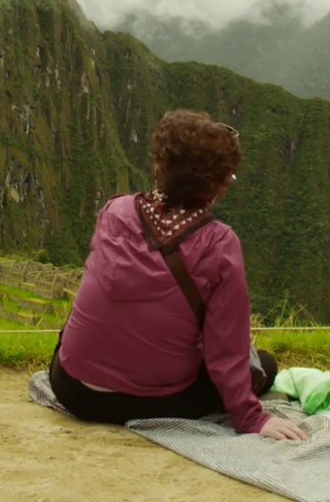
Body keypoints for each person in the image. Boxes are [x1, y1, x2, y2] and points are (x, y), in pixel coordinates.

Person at [50, 110, 306, 442]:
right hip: (151, 402)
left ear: (159, 168)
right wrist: (251, 418)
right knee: (264, 367)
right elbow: (227, 351)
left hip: (73, 388)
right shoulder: (219, 245)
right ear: (218, 186)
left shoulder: (115, 211)